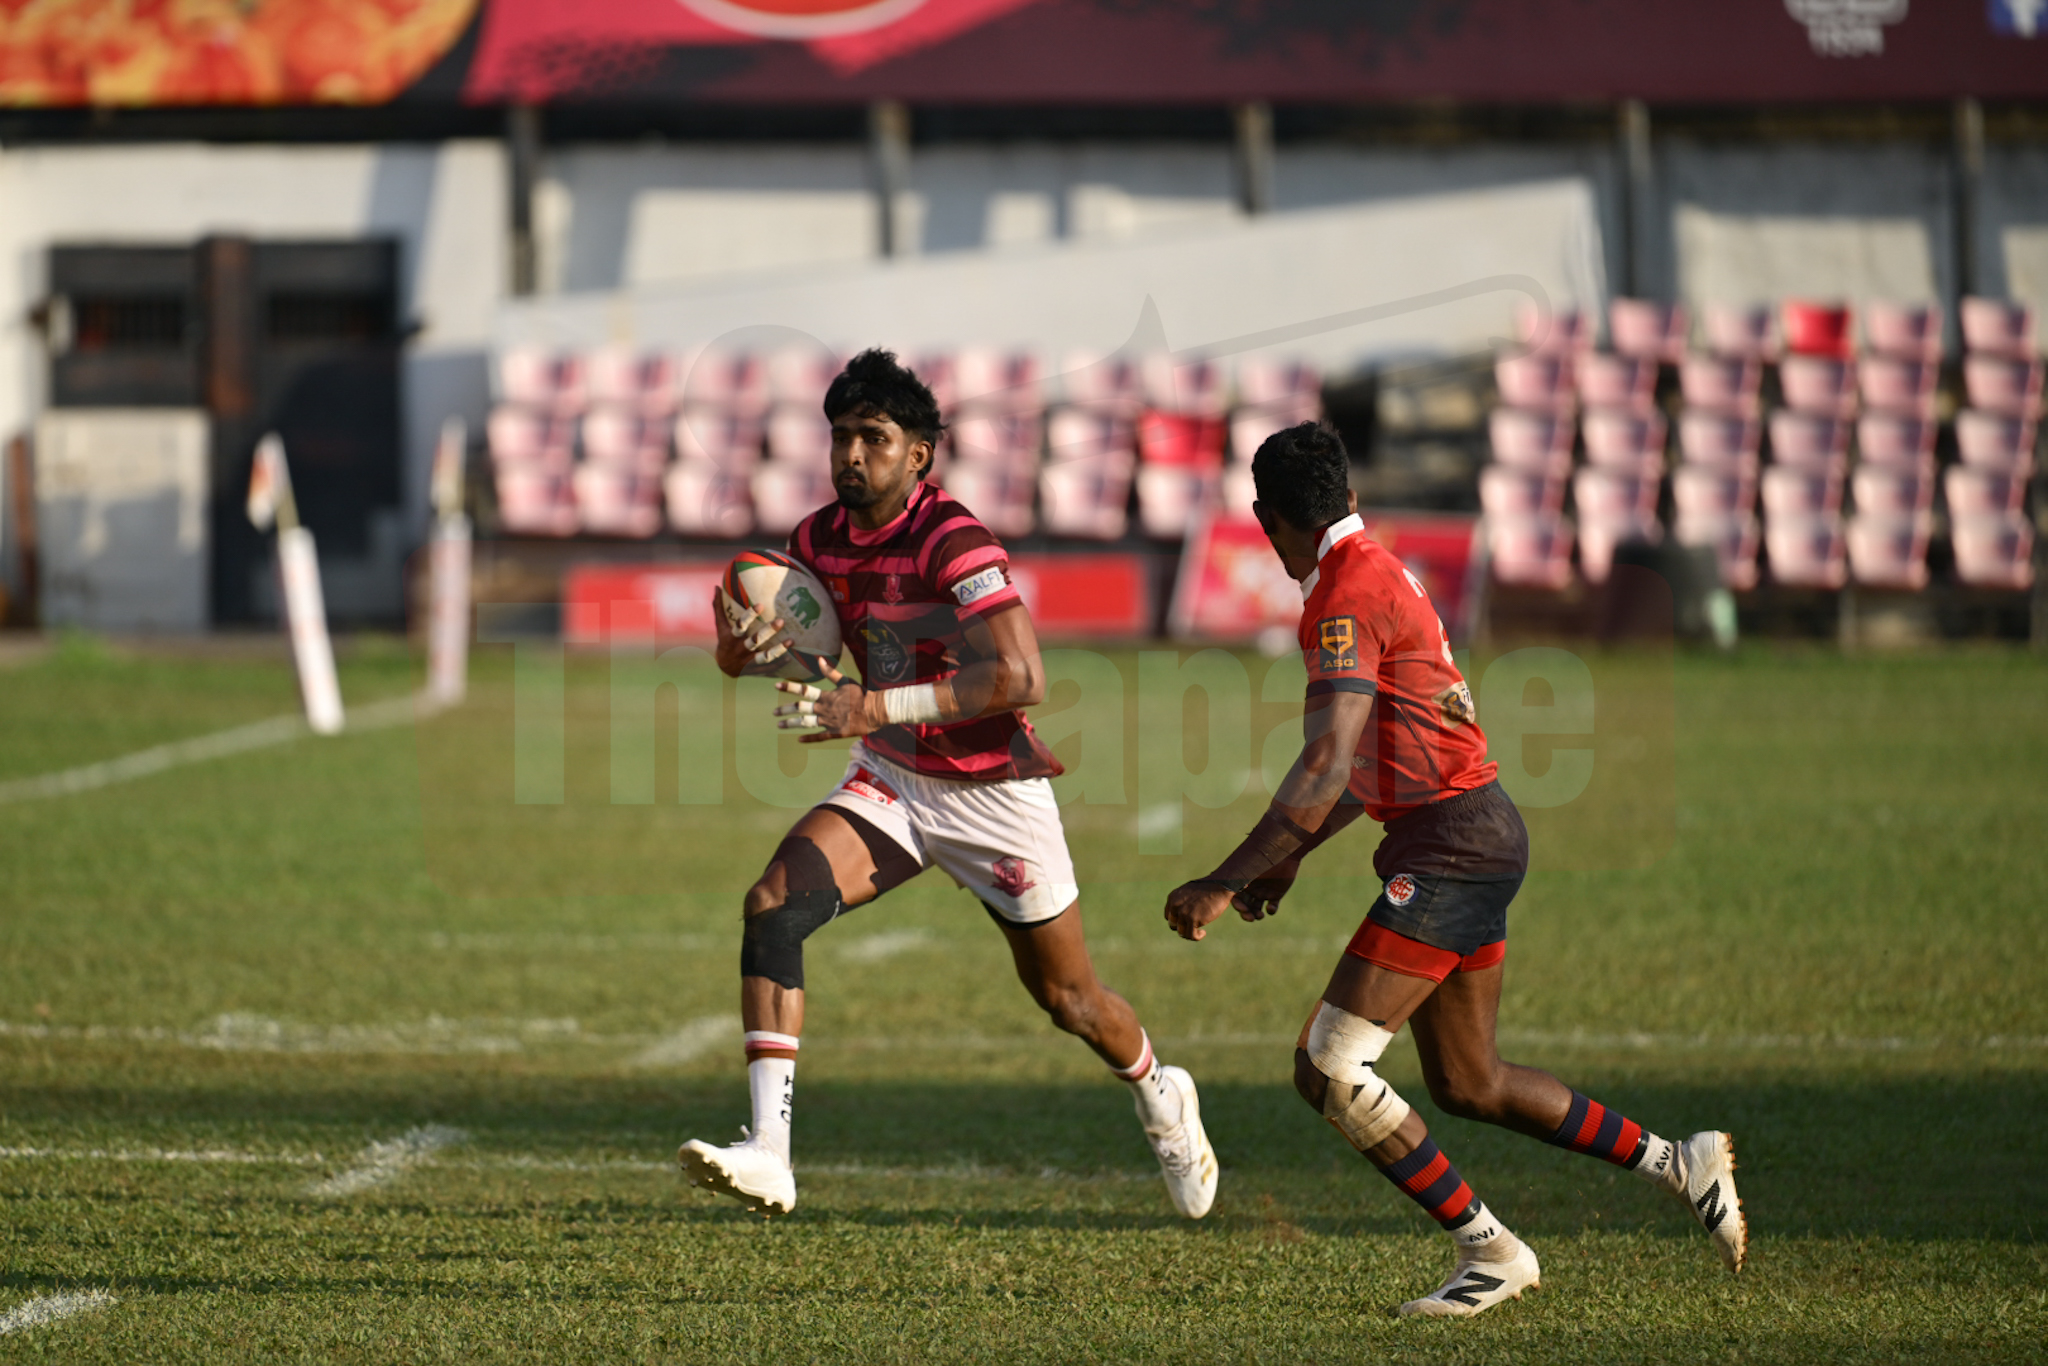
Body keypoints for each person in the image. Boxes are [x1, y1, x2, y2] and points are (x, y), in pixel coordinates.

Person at [1161, 422, 1744, 1317]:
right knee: (1471, 1080)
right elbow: (1382, 755)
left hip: (1452, 847)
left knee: (1329, 1067)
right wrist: (1291, 856)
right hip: (1476, 829)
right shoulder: (1381, 569)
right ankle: (1679, 1162)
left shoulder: (1342, 598)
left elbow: (1327, 762)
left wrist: (1226, 878)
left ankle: (1492, 1251)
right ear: (1351, 498)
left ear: (1265, 520)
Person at [680, 349, 1217, 1220]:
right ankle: (769, 1152)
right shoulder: (814, 541)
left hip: (991, 793)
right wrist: (738, 651)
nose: (852, 454)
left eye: (874, 437)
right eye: (841, 436)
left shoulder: (953, 539)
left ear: (920, 454)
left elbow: (1023, 677)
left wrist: (874, 704)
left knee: (1071, 1001)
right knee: (773, 903)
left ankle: (1160, 1089)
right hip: (893, 779)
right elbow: (797, 653)